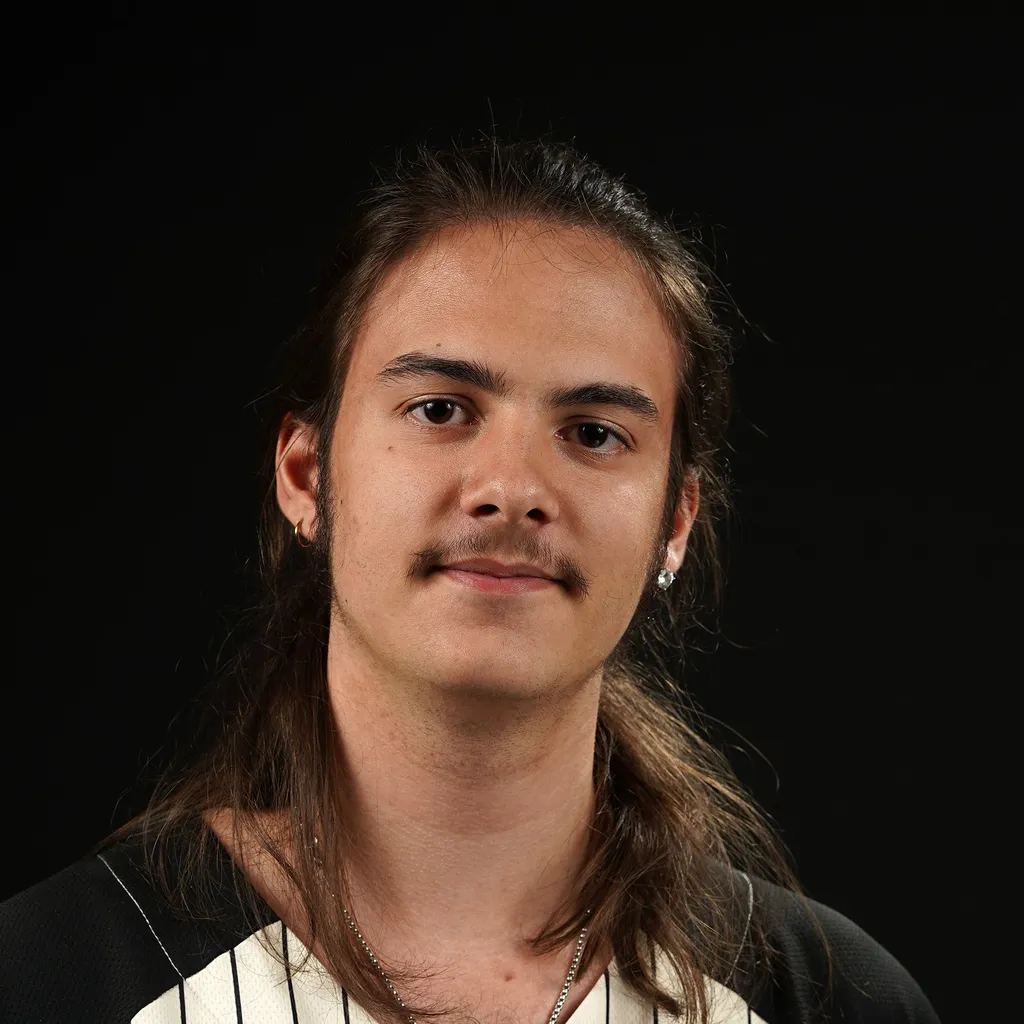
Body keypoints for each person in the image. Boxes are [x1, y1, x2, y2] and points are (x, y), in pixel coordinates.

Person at [0, 138, 941, 1024]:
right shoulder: (54, 976)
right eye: (441, 408)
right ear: (305, 475)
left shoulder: (828, 999)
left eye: (594, 433)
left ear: (675, 522)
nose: (512, 488)